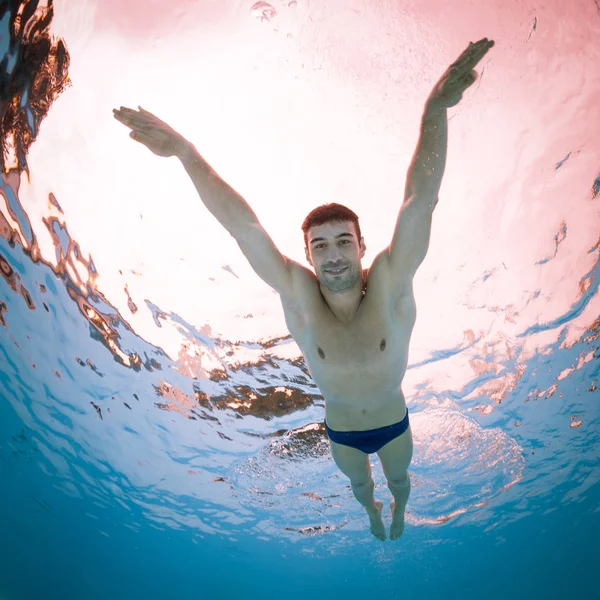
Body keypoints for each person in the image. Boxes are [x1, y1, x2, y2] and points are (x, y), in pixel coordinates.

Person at [114, 38, 495, 541]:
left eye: (343, 242)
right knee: (362, 490)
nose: (333, 256)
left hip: (394, 421)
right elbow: (244, 227)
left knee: (400, 480)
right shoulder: (298, 292)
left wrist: (435, 109)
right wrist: (186, 153)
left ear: (362, 245)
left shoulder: (390, 282)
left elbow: (419, 202)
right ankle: (374, 513)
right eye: (321, 246)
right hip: (341, 432)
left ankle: (398, 507)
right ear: (308, 252)